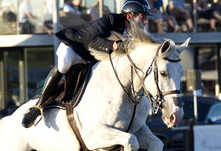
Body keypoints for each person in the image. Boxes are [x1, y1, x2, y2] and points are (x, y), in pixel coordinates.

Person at [22, 0, 152, 128]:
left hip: (94, 59)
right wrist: (114, 45)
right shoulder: (110, 20)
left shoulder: (137, 34)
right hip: (76, 48)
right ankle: (38, 107)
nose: (146, 21)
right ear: (129, 16)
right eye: (143, 17)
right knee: (64, 65)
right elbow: (92, 41)